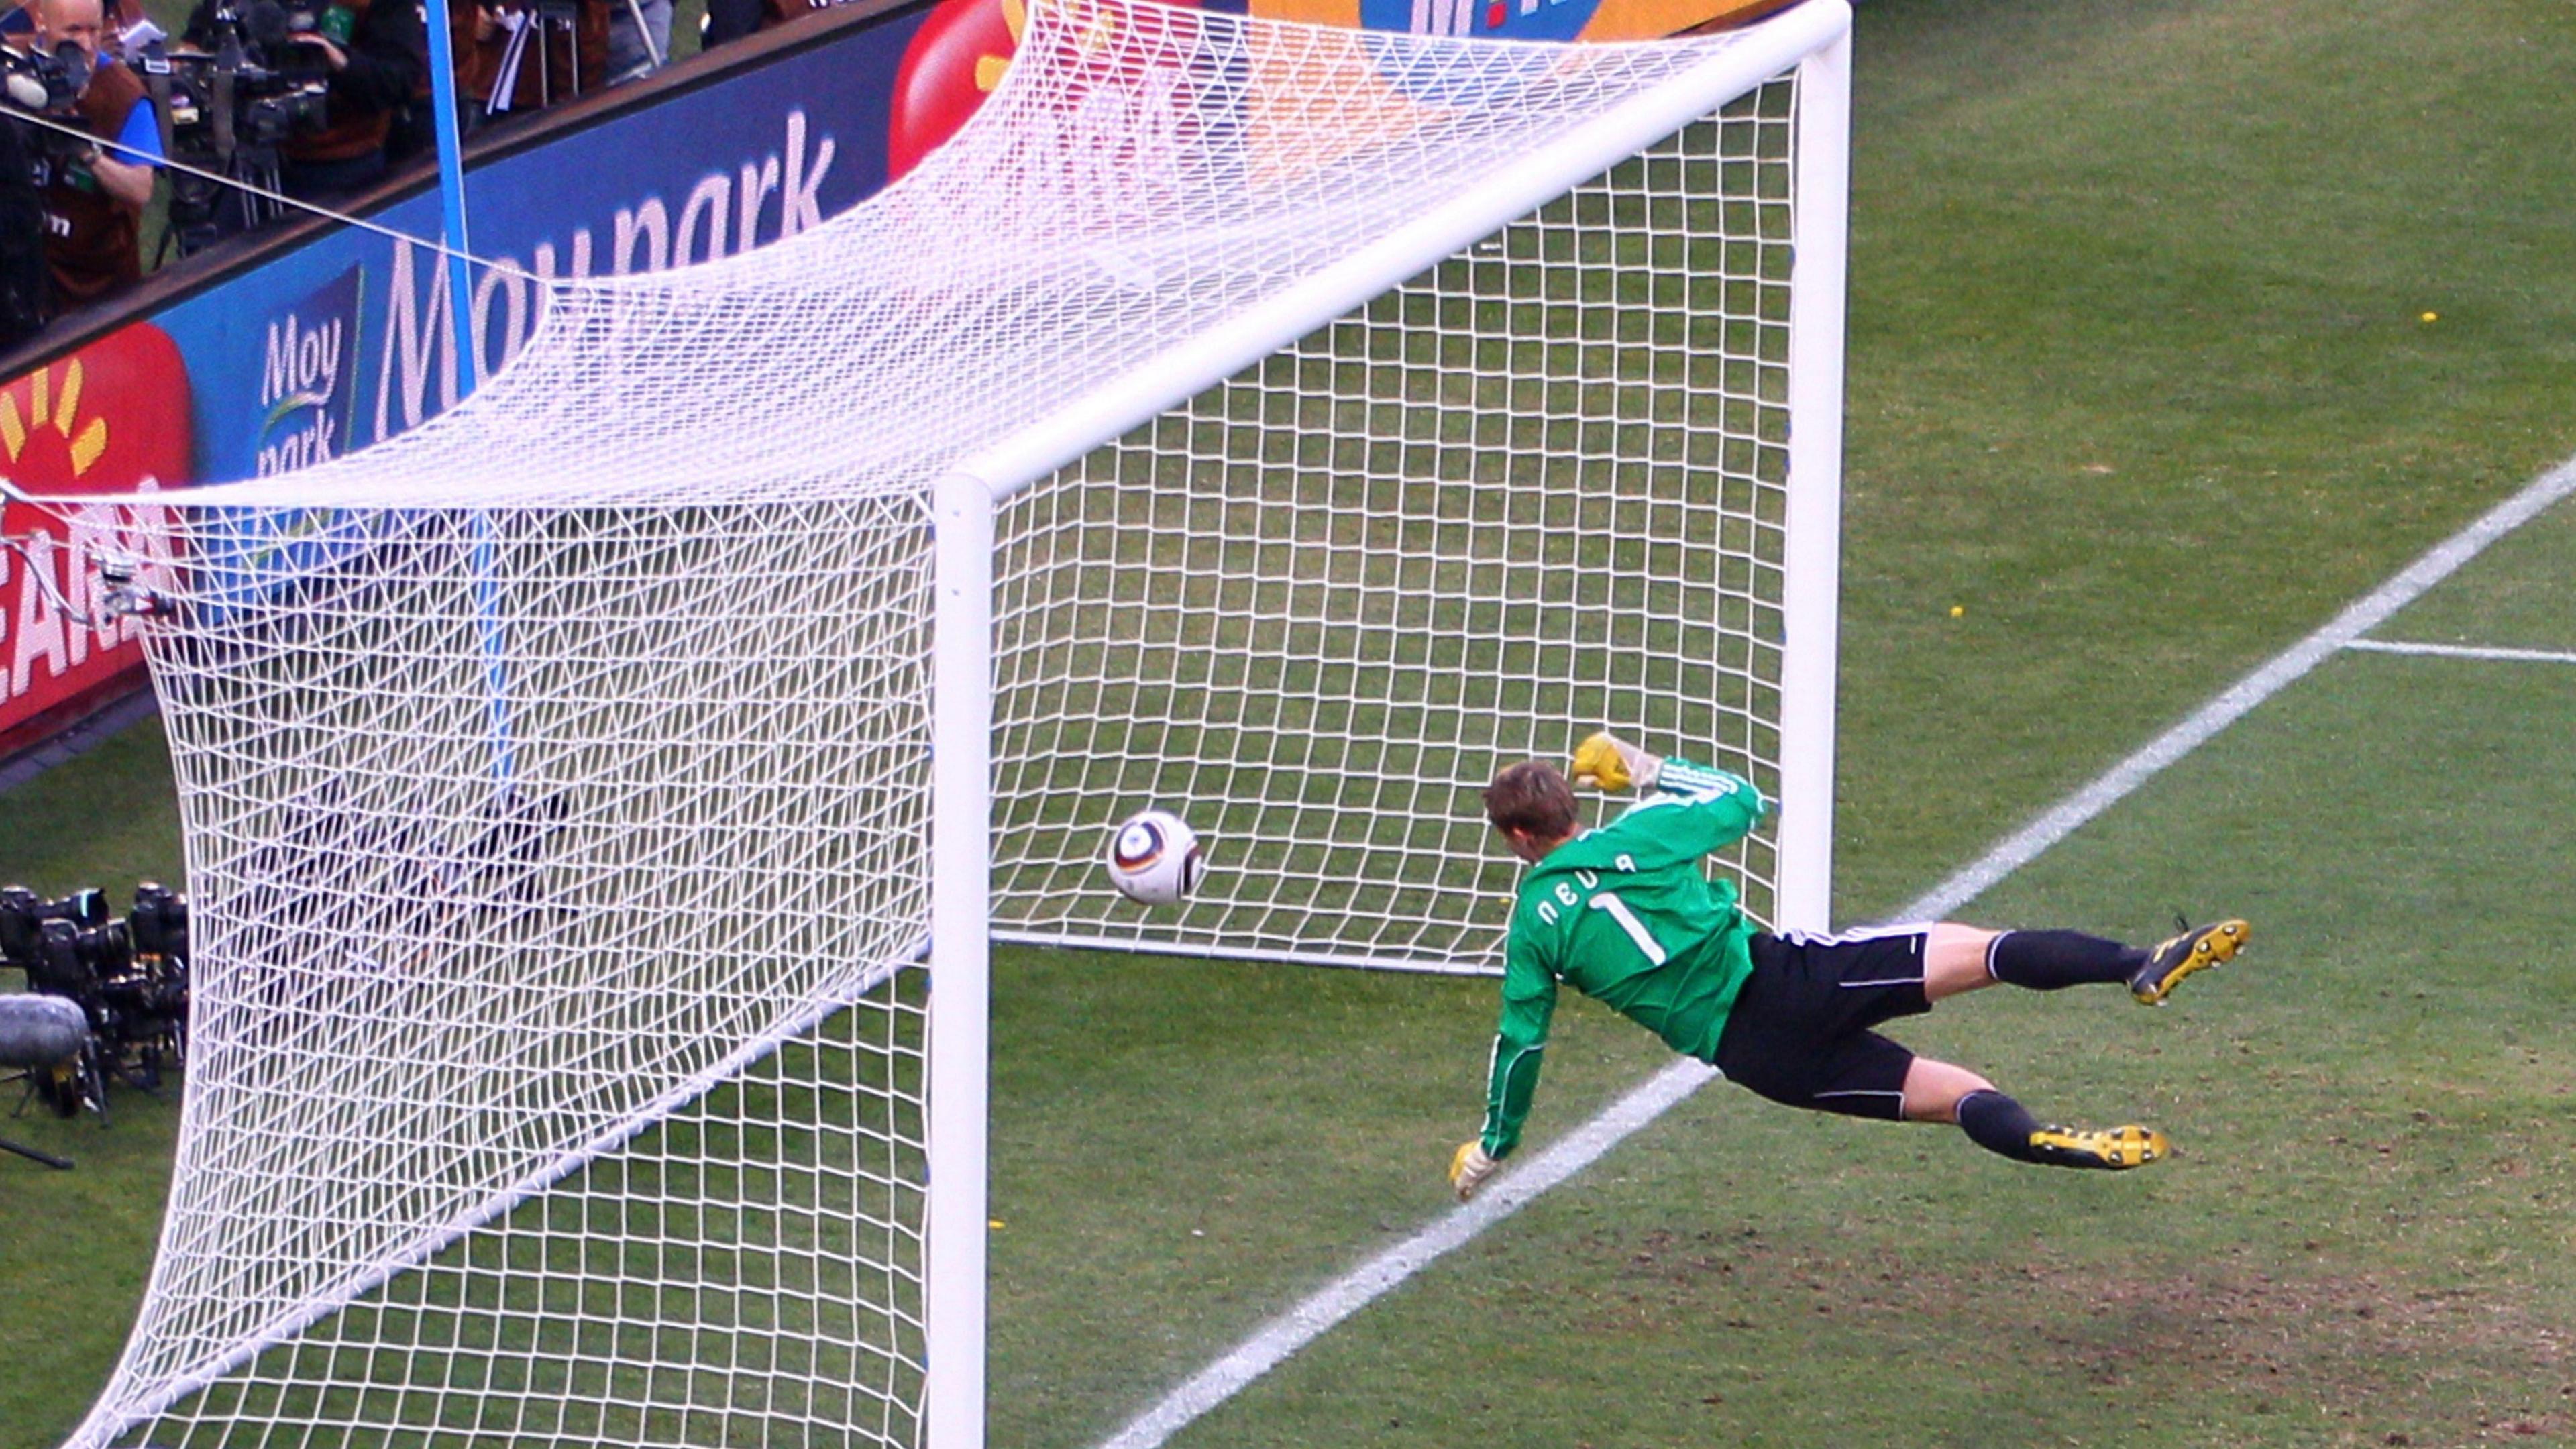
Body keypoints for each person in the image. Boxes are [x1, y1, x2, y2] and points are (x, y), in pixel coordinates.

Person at [1446, 732, 2253, 1201]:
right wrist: (1643, 766)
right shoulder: (1644, 834)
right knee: (1986, 953)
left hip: (1756, 1056)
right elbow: (1739, 797)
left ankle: (2045, 1139)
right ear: (1571, 809)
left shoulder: (1530, 932)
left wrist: (1493, 1145)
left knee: (1956, 1096)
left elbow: (1521, 1044)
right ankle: (2136, 964)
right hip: (1788, 977)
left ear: (1519, 840)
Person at [25, 0, 160, 316]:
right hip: (32, 270)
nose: (85, 43)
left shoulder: (123, 94)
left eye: (94, 30)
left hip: (102, 287)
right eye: (73, 30)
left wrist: (87, 154)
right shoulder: (19, 72)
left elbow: (141, 188)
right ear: (43, 22)